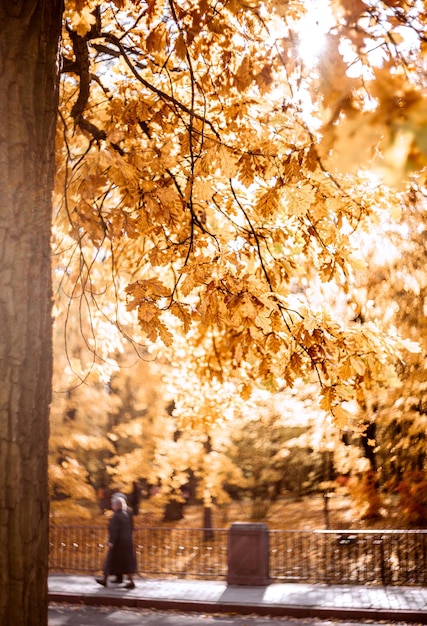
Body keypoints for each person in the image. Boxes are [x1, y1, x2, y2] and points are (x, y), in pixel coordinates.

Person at [95, 494, 137, 589]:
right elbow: (130, 527)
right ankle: (131, 581)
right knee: (127, 562)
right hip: (127, 542)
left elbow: (114, 530)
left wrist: (111, 542)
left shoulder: (115, 517)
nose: (112, 506)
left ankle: (105, 580)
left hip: (118, 543)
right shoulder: (126, 515)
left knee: (109, 561)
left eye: (113, 504)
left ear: (116, 505)